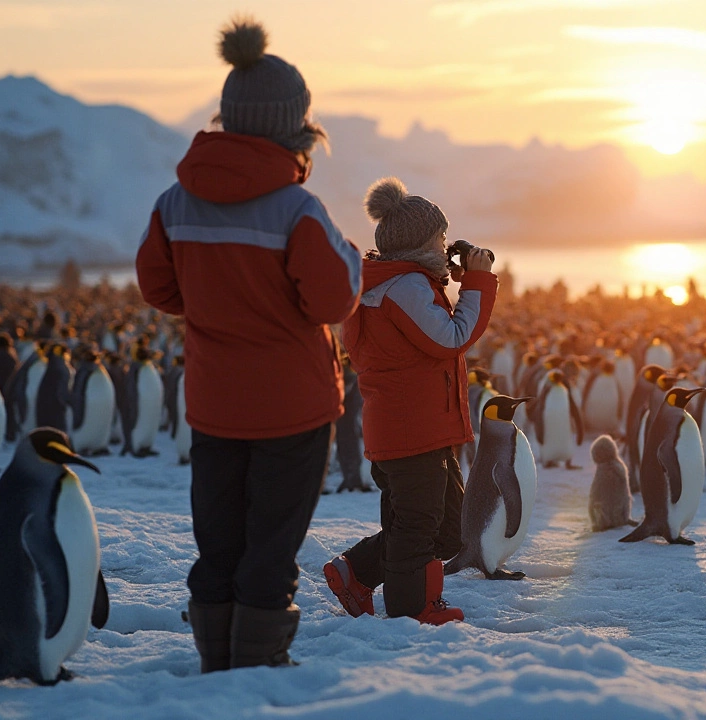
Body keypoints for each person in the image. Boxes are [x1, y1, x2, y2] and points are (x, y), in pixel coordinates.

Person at [135, 17, 362, 672]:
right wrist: (345, 252)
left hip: (213, 402)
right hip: (291, 409)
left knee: (220, 537)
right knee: (271, 543)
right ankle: (257, 663)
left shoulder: (174, 204)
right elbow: (333, 301)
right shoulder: (297, 211)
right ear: (293, 124)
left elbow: (158, 287)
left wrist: (215, 306)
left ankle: (216, 657)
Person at [323, 177, 497, 627]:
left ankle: (355, 572)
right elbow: (451, 337)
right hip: (412, 430)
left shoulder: (401, 283)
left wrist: (451, 280)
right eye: (440, 238)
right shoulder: (402, 288)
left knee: (444, 527)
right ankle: (411, 608)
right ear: (421, 243)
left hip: (421, 427)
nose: (446, 245)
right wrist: (476, 283)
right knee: (418, 527)